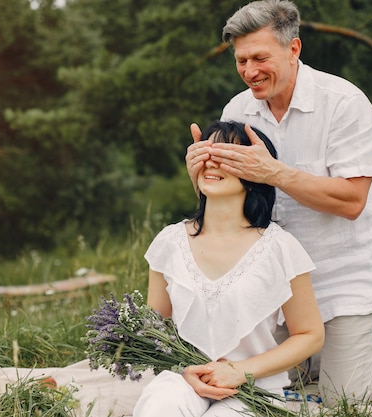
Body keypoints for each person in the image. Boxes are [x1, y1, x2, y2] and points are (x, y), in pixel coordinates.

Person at [184, 0, 372, 408]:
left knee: (343, 399)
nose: (250, 71)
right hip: (278, 279)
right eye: (241, 60)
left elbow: (353, 201)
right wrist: (199, 174)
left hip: (344, 273)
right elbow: (229, 205)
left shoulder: (344, 103)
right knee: (261, 382)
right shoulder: (238, 109)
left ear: (294, 49)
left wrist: (274, 173)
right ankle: (340, 348)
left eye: (260, 58)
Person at [133, 120, 324, 417]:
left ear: (255, 172)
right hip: (184, 378)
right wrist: (182, 369)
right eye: (206, 152)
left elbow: (310, 334)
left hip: (254, 386)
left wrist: (240, 370)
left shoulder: (279, 248)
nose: (211, 162)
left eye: (227, 155)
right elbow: (155, 326)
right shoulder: (169, 242)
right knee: (160, 405)